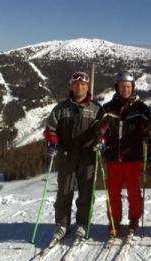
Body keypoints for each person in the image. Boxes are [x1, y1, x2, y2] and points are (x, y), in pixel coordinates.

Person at [43, 71, 103, 242]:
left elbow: (104, 129)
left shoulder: (96, 108)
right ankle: (62, 224)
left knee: (86, 192)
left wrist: (102, 141)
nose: (79, 86)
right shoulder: (61, 109)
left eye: (83, 84)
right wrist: (52, 142)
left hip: (88, 155)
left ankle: (82, 224)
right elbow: (50, 129)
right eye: (76, 84)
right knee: (64, 191)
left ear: (87, 86)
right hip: (67, 155)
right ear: (71, 85)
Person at [100, 71, 151, 237]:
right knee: (113, 192)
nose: (125, 89)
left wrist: (149, 130)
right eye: (122, 86)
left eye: (128, 86)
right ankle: (114, 220)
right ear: (117, 87)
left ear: (133, 88)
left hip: (133, 156)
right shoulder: (108, 108)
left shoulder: (140, 108)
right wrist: (99, 133)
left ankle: (134, 219)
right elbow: (101, 127)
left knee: (133, 191)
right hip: (113, 156)